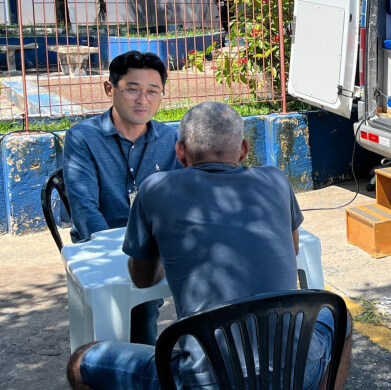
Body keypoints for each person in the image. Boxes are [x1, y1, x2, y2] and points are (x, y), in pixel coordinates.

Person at [66, 101, 351, 390]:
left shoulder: (154, 189)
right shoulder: (276, 180)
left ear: (179, 152)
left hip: (205, 382)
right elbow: (292, 249)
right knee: (342, 319)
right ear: (243, 150)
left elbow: (142, 280)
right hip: (297, 373)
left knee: (80, 363)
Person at [63, 50, 179, 344]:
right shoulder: (83, 137)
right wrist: (121, 257)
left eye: (153, 91)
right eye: (132, 89)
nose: (143, 100)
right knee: (133, 311)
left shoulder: (170, 139)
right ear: (109, 88)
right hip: (102, 247)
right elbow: (84, 208)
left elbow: (182, 200)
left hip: (154, 250)